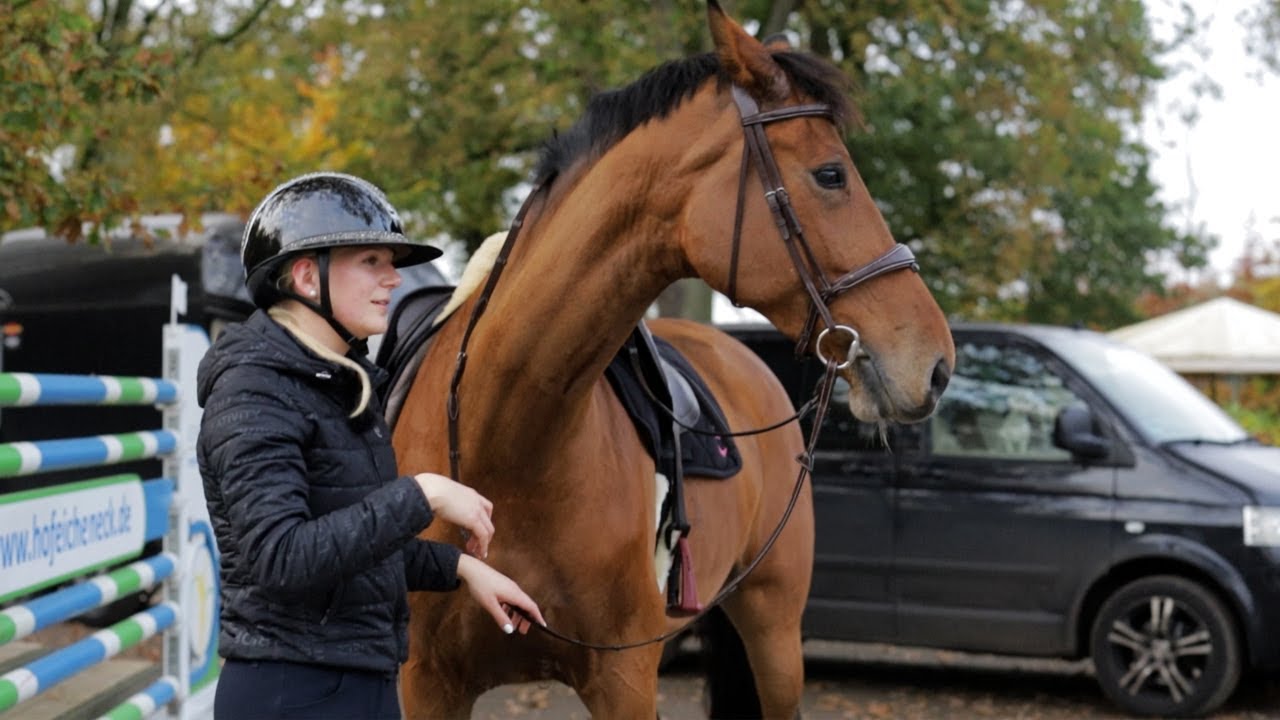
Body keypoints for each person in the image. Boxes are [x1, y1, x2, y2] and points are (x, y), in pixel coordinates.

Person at [196, 172, 545, 719]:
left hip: (358, 683)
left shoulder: (338, 382)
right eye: (371, 262)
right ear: (307, 276)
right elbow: (280, 558)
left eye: (391, 264)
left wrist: (462, 568)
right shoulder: (253, 390)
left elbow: (352, 548)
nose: (392, 280)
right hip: (294, 693)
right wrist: (422, 495)